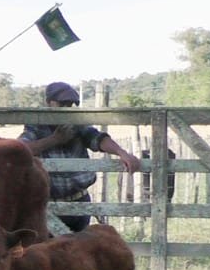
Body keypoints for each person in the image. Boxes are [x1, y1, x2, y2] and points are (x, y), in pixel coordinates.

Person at [19, 81, 141, 232]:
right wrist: (54, 140)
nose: (67, 108)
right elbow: (21, 149)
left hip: (80, 201)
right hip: (49, 205)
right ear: (49, 102)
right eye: (63, 104)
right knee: (52, 250)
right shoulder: (36, 125)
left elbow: (97, 138)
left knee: (78, 251)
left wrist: (122, 153)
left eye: (70, 104)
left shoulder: (76, 124)